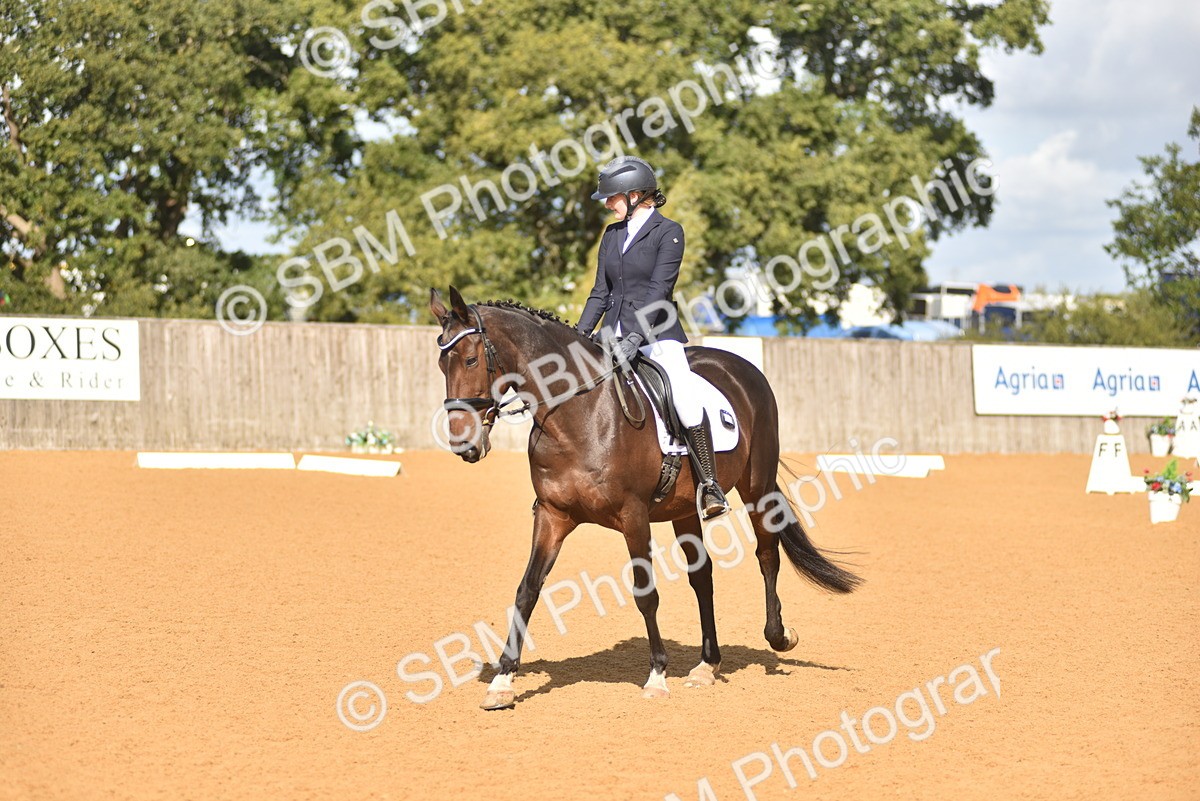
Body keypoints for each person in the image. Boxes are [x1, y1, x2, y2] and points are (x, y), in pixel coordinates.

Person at [575, 155, 729, 519]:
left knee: (684, 398)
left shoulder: (668, 232)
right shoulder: (611, 235)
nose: (608, 205)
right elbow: (600, 292)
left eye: (612, 198)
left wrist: (634, 337)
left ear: (635, 195)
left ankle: (709, 485)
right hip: (611, 334)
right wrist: (578, 337)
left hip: (657, 335)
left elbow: (659, 291)